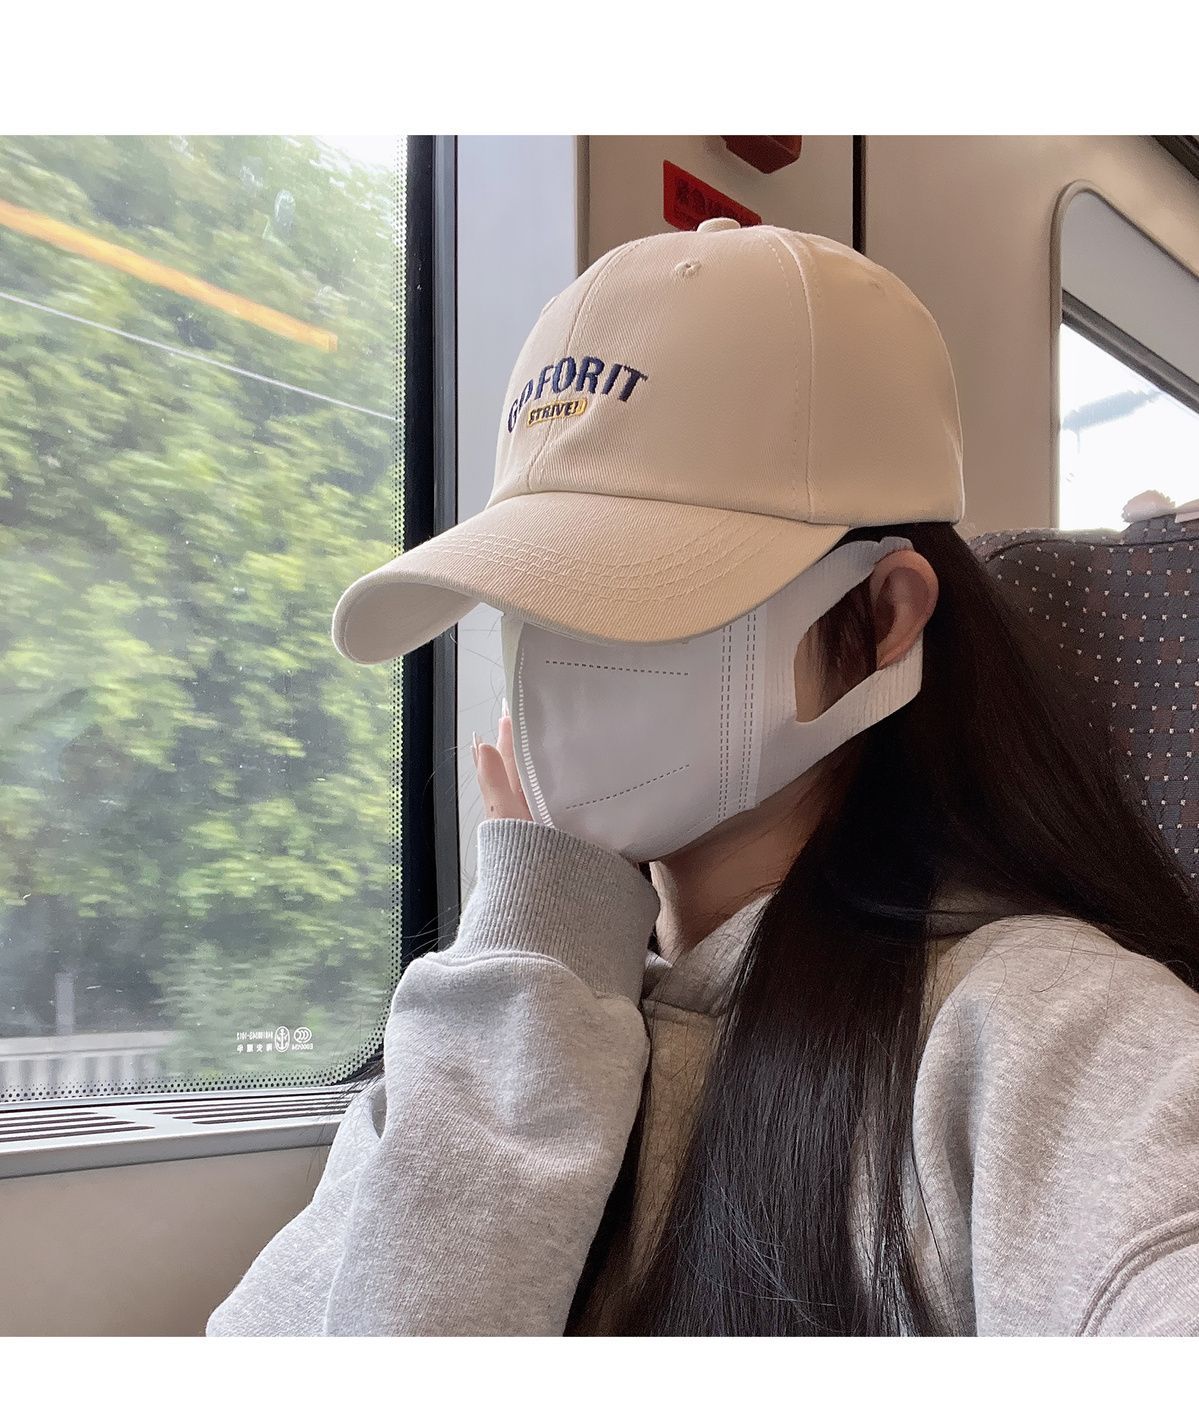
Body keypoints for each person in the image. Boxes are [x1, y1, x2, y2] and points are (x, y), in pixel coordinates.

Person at [207, 218, 1199, 1337]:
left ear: (881, 618)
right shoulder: (496, 1004)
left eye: (638, 587)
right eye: (530, 596)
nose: (560, 659)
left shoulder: (1038, 1039)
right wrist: (536, 963)